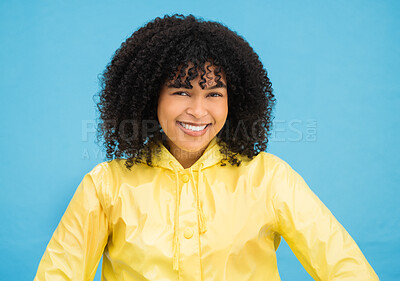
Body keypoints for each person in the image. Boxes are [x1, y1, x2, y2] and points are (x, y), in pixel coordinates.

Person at [34, 14, 379, 281]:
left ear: (235, 101)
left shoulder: (270, 179)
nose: (198, 111)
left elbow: (344, 266)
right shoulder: (105, 186)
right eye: (181, 92)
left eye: (214, 94)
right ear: (150, 97)